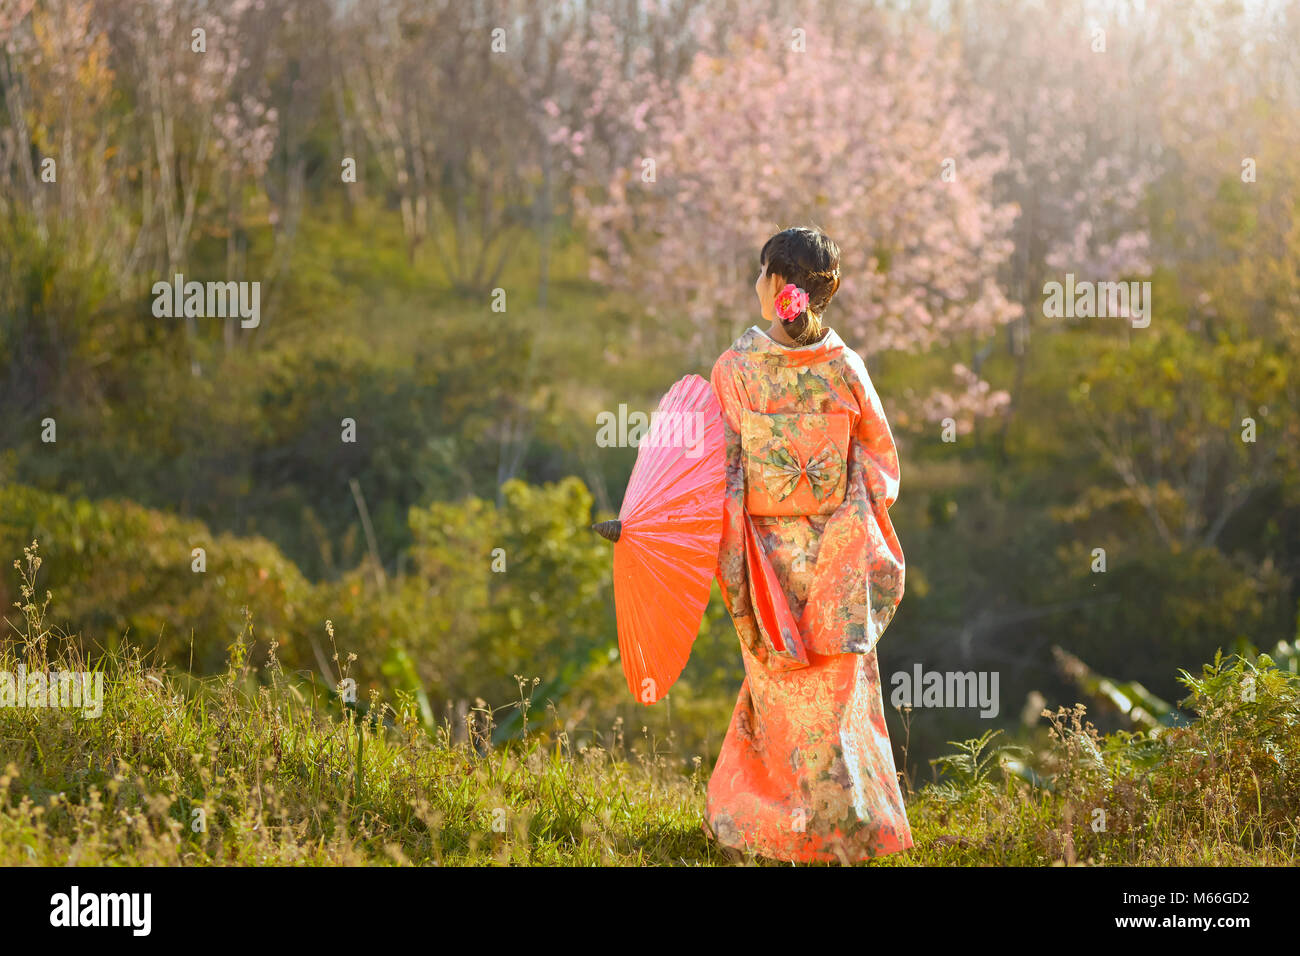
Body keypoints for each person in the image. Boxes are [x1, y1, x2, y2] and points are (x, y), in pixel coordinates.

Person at [704, 225, 912, 863]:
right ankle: (853, 832)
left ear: (774, 284)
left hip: (765, 563)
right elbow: (880, 469)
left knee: (779, 695)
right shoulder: (847, 369)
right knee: (839, 699)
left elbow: (716, 469)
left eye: (760, 274)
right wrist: (840, 510)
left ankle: (773, 833)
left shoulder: (736, 370)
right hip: (837, 565)